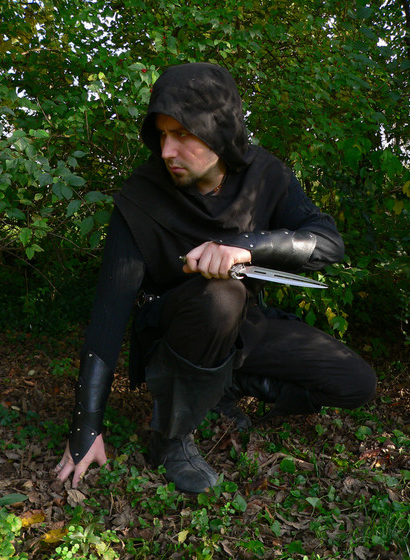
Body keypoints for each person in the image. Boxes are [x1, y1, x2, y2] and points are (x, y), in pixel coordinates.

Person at [55, 63, 376, 493]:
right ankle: (170, 438)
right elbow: (107, 320)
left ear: (218, 128)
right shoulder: (143, 195)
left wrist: (245, 246)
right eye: (162, 135)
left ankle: (225, 387)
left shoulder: (265, 175)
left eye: (182, 134)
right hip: (172, 334)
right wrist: (85, 429)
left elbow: (328, 244)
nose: (167, 151)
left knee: (356, 383)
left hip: (243, 327)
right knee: (221, 295)